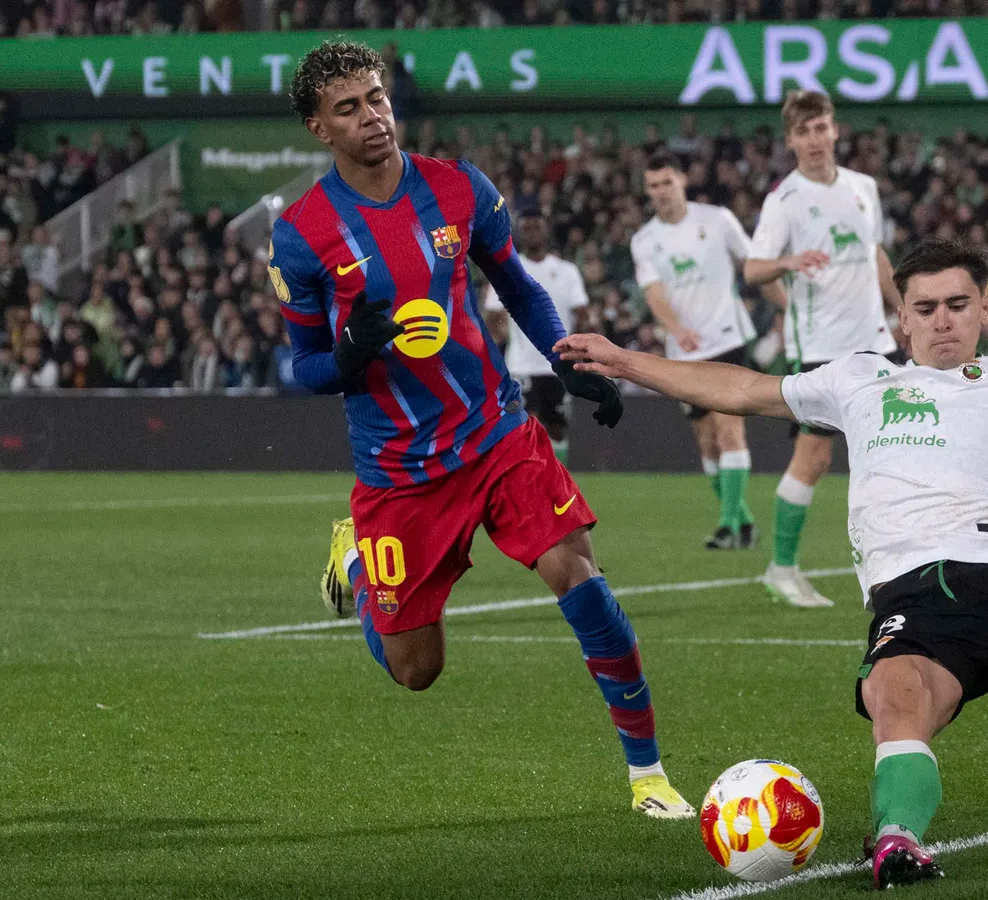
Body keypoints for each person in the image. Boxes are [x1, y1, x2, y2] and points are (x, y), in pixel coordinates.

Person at [555, 237, 988, 889]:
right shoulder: (859, 380)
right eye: (925, 307)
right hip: (915, 600)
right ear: (900, 316)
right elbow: (743, 387)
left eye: (958, 304)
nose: (942, 320)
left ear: (987, 308)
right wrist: (627, 361)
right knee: (894, 693)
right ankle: (896, 838)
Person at [273, 40, 693, 819]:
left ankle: (647, 773)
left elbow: (520, 286)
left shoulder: (458, 188)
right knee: (415, 671)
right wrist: (346, 354)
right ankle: (360, 569)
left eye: (376, 98)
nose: (372, 117)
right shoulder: (302, 235)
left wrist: (567, 358)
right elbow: (298, 368)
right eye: (348, 108)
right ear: (318, 129)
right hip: (399, 472)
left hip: (498, 433)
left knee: (583, 581)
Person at [745, 90, 902, 607]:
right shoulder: (784, 200)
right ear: (791, 140)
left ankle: (895, 565)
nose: (814, 139)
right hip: (819, 347)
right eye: (803, 131)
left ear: (836, 130)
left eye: (821, 128)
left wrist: (902, 308)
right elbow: (753, 268)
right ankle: (782, 568)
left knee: (890, 454)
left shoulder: (863, 188)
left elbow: (874, 252)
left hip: (875, 343)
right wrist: (788, 264)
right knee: (813, 458)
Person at [630, 150, 761, 550]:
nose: (661, 192)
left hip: (727, 338)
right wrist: (676, 329)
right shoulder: (645, 240)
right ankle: (743, 522)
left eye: (667, 182)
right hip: (683, 350)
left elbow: (753, 261)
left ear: (683, 180)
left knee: (729, 428)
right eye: (653, 186)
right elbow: (654, 293)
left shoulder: (717, 219)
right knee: (706, 441)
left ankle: (725, 526)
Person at [483, 207, 589, 464]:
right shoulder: (507, 270)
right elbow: (492, 316)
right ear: (518, 233)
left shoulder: (566, 271)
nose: (532, 233)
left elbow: (582, 313)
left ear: (547, 230)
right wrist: (504, 337)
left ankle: (559, 482)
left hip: (559, 365)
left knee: (557, 428)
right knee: (524, 425)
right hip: (521, 365)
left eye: (536, 227)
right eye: (526, 228)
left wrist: (579, 348)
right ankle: (530, 482)